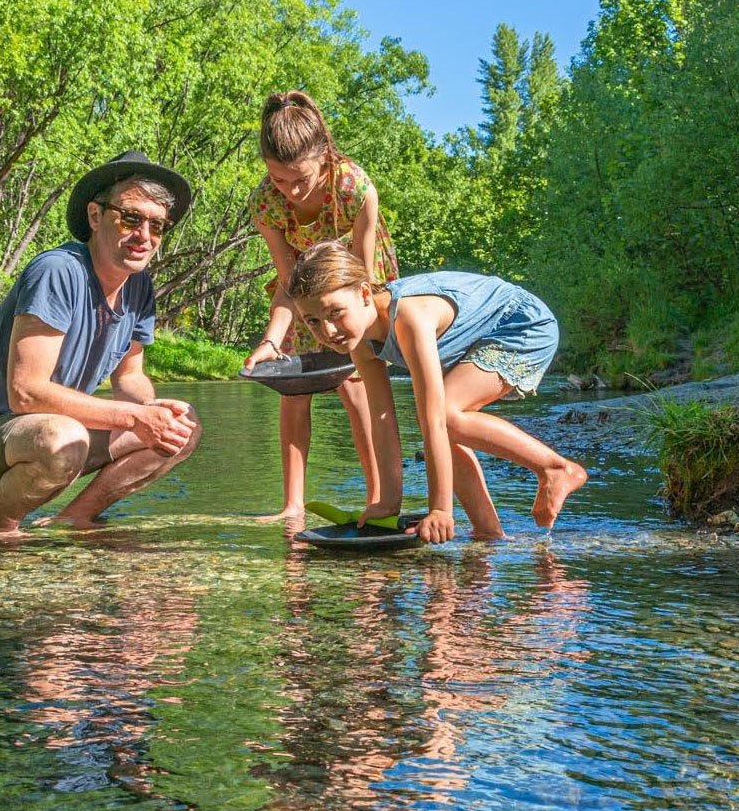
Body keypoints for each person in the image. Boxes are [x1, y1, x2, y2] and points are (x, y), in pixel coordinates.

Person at [0, 151, 202, 541]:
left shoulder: (139, 286)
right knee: (64, 438)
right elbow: (26, 393)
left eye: (157, 225)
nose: (145, 235)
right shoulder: (58, 271)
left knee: (183, 428)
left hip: (53, 432)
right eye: (131, 218)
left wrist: (154, 413)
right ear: (95, 216)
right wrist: (133, 419)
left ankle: (73, 520)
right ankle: (2, 533)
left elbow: (130, 376)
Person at [285, 240, 587, 543]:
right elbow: (382, 418)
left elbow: (434, 422)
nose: (329, 331)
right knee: (446, 424)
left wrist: (441, 509)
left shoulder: (408, 318)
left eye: (335, 313)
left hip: (519, 325)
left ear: (364, 294)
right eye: (313, 321)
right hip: (472, 341)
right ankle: (488, 533)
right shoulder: (359, 344)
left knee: (443, 416)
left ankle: (554, 468)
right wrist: (387, 504)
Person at [242, 90, 399, 523]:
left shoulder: (354, 187)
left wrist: (349, 335)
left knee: (356, 383)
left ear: (325, 157)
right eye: (278, 179)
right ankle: (292, 505)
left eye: (301, 179)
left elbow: (360, 277)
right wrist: (272, 339)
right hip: (304, 290)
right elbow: (290, 284)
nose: (290, 191)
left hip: (357, 285)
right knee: (294, 388)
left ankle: (379, 497)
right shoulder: (266, 204)